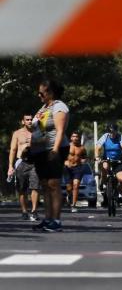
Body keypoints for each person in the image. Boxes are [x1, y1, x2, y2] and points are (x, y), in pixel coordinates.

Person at [29, 80, 70, 232]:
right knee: (45, 185)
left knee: (54, 184)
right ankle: (47, 219)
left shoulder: (59, 107)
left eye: (42, 93)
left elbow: (59, 130)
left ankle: (56, 221)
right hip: (40, 150)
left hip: (54, 149)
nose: (39, 95)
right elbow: (35, 126)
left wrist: (55, 150)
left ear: (50, 93)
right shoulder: (43, 107)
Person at [8, 114, 40, 221]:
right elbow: (13, 150)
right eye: (27, 120)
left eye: (31, 119)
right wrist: (10, 166)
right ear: (23, 121)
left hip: (34, 163)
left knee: (35, 187)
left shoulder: (37, 132)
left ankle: (34, 211)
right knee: (22, 189)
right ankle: (24, 211)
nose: (30, 121)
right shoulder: (17, 133)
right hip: (21, 162)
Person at [95, 124, 122, 207]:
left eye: (114, 132)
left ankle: (119, 195)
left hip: (118, 161)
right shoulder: (105, 136)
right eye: (110, 132)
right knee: (105, 167)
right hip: (107, 159)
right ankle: (103, 183)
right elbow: (97, 147)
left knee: (121, 179)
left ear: (116, 131)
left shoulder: (120, 137)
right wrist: (97, 157)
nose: (112, 134)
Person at [64, 131, 87, 213]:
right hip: (67, 168)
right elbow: (61, 156)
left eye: (77, 136)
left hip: (78, 168)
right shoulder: (67, 146)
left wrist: (83, 161)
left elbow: (84, 156)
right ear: (71, 138)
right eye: (73, 136)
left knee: (76, 185)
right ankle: (69, 195)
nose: (75, 138)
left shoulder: (82, 148)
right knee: (69, 187)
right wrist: (65, 161)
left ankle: (73, 205)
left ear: (79, 138)